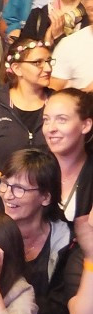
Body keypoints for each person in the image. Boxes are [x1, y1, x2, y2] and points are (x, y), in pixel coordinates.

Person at [0, 39, 51, 210]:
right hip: (1, 206)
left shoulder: (58, 104)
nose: (48, 68)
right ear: (16, 68)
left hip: (48, 204)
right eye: (38, 63)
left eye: (49, 61)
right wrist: (9, 186)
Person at [0, 149, 72, 314]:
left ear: (45, 197)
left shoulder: (69, 242)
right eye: (5, 184)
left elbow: (62, 311)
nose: (7, 195)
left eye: (19, 188)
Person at [42, 89, 93, 223]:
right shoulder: (31, 168)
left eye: (62, 119)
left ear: (86, 125)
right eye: (46, 120)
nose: (50, 128)